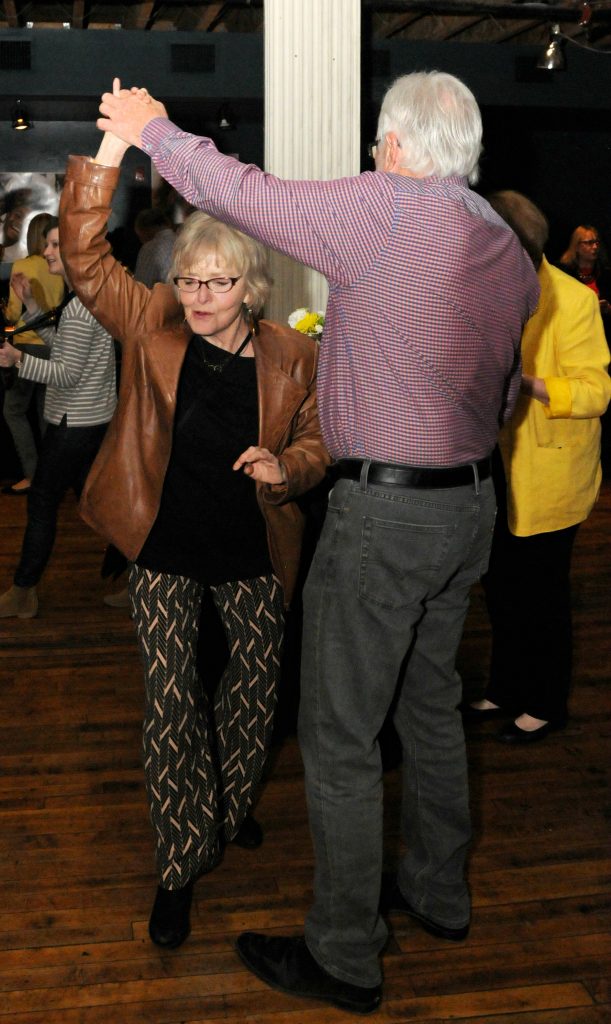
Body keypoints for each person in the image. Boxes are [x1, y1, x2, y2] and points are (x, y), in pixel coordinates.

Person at [96, 72, 539, 1014]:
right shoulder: (506, 247)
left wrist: (153, 130)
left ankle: (342, 951)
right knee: (430, 708)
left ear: (393, 143)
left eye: (379, 144)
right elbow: (503, 391)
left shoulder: (385, 208)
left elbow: (244, 195)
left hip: (384, 517)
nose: (375, 155)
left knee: (340, 734)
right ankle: (436, 891)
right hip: (467, 508)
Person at [58, 122, 330, 953]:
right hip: (165, 552)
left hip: (254, 554)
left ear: (250, 287)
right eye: (190, 279)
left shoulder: (292, 355)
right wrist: (104, 161)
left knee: (252, 702)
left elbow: (321, 442)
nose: (203, 295)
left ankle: (221, 807)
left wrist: (286, 468)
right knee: (172, 705)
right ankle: (178, 867)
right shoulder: (151, 328)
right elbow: (85, 261)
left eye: (220, 281)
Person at [463, 193, 610, 743]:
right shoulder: (488, 287)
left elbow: (598, 390)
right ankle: (505, 687)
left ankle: (546, 702)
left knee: (542, 593)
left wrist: (527, 384)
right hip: (494, 464)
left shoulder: (571, 299)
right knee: (500, 586)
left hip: (551, 474)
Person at [0, 217, 116, 619]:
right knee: (104, 508)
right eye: (48, 244)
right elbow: (64, 349)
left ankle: (22, 591)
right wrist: (32, 306)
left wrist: (18, 360)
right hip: (85, 420)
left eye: (53, 245)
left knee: (43, 502)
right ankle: (144, 579)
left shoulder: (82, 306)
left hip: (76, 425)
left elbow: (66, 373)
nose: (46, 251)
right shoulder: (80, 299)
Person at [2, 212, 65, 495]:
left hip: (26, 344)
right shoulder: (58, 269)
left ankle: (32, 474)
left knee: (13, 410)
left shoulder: (22, 265)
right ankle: (52, 478)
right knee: (44, 413)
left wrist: (6, 311)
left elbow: (15, 314)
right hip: (52, 344)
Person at [133, 207, 175, 287]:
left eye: (140, 236)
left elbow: (142, 286)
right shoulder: (184, 243)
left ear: (145, 231)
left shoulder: (149, 248)